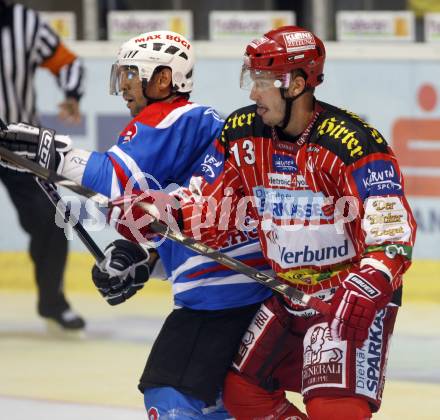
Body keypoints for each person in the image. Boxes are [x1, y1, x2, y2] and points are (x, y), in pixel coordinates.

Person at [108, 25, 417, 419]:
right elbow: (210, 203)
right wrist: (161, 210)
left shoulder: (352, 142)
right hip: (288, 294)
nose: (253, 93)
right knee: (242, 392)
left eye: (264, 81)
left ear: (298, 84)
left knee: (333, 408)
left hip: (344, 296)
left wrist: (371, 282)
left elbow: (392, 228)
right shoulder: (241, 134)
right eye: (252, 79)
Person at [0, 30, 272, 418]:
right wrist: (145, 265)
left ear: (164, 79)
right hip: (241, 291)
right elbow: (184, 223)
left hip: (222, 297)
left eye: (132, 73)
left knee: (170, 395)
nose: (124, 85)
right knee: (218, 403)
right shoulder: (195, 130)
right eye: (122, 74)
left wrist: (51, 152)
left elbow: (115, 180)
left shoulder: (178, 117)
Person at [0, 0, 85, 331]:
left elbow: (67, 63)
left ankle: (53, 303)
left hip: (18, 144)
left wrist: (72, 93)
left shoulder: (25, 23)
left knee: (51, 222)